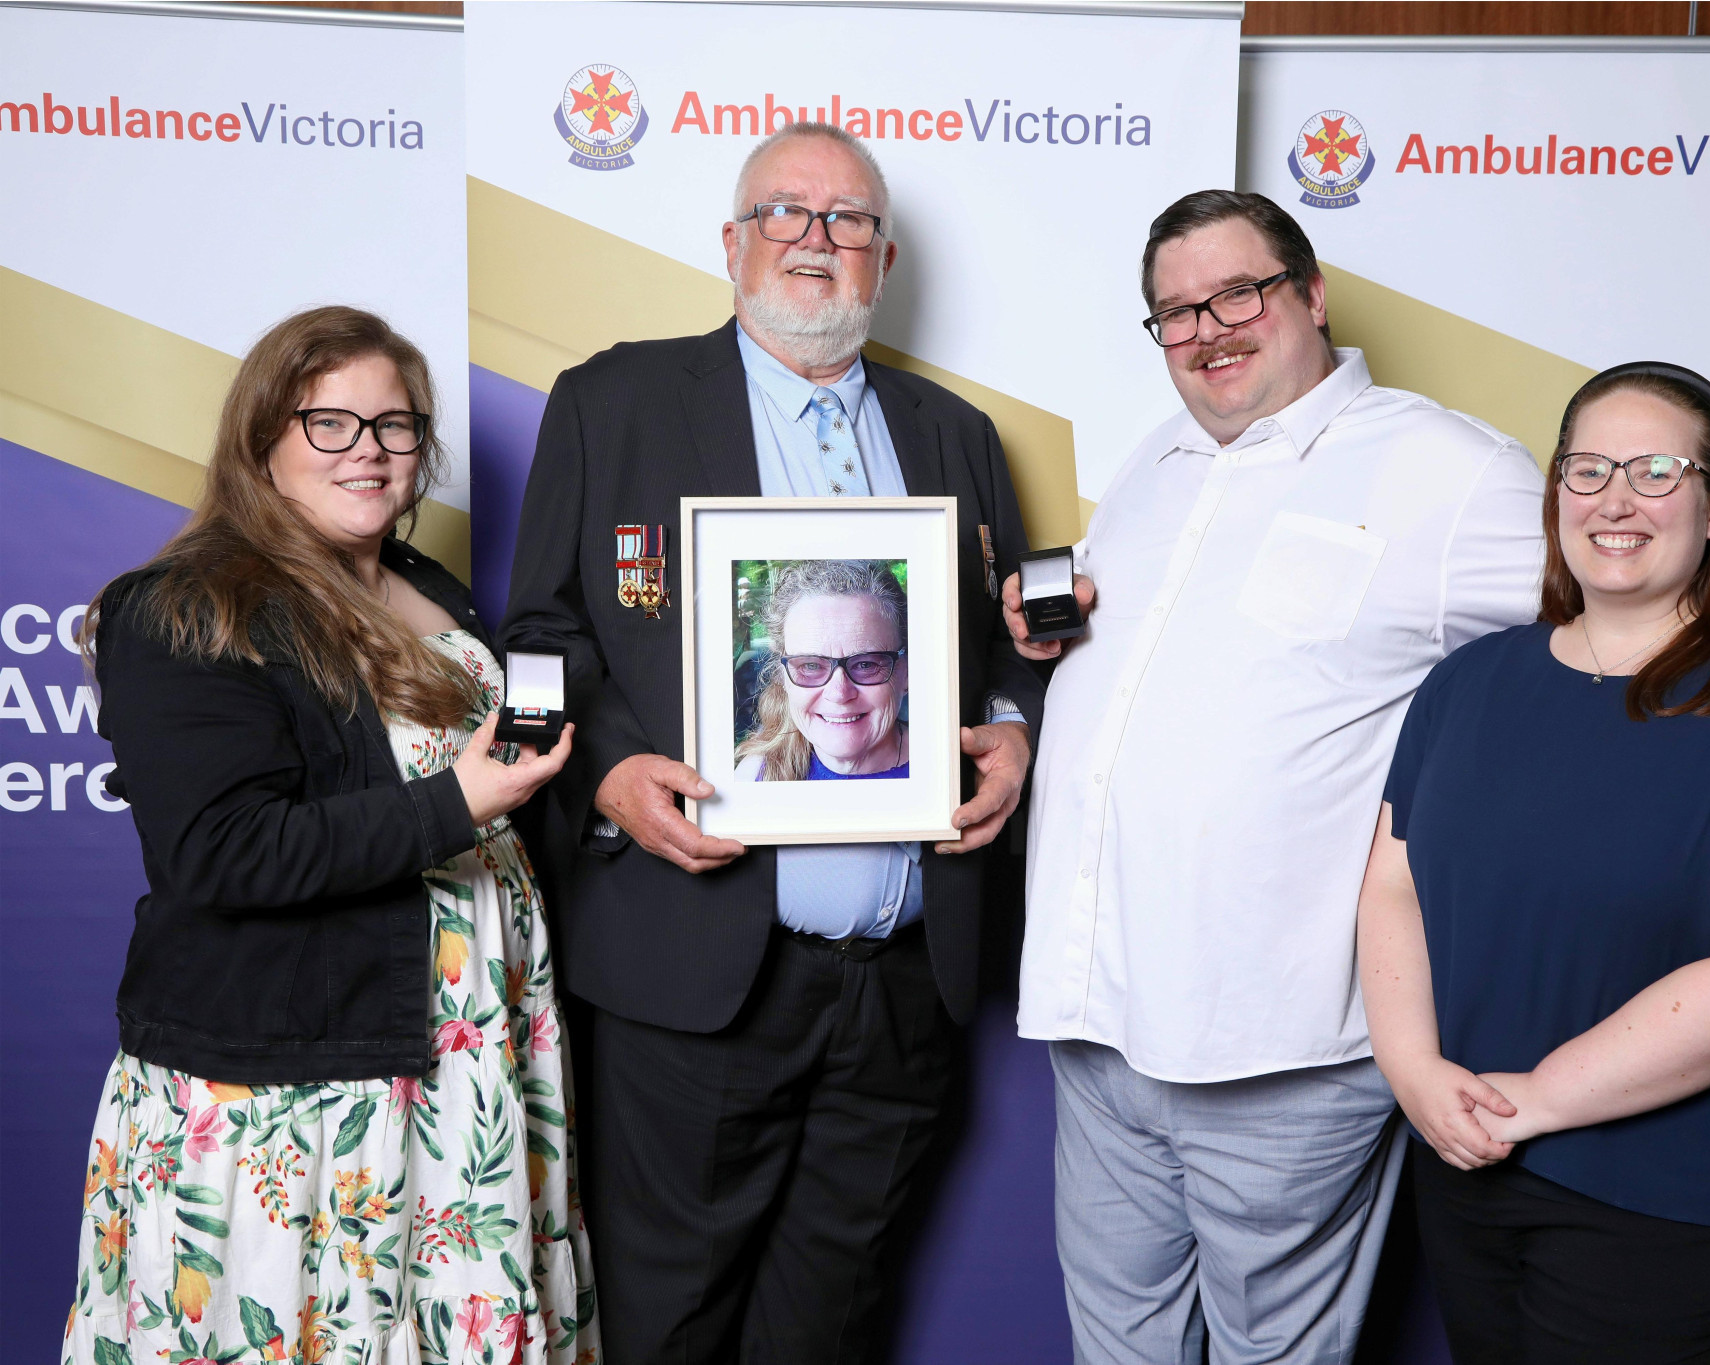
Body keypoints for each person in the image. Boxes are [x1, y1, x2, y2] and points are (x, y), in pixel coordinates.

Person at [499, 122, 1043, 1364]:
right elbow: (534, 636)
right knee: (666, 1317)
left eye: (846, 220)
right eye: (785, 214)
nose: (814, 240)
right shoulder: (613, 400)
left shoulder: (954, 433)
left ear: (884, 258)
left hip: (902, 976)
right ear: (732, 244)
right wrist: (606, 775)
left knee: (831, 1321)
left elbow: (1006, 643)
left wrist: (1010, 730)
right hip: (696, 973)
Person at [1005, 190, 1546, 1365]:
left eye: (1235, 293)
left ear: (1308, 293)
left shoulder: (1446, 473)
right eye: (1173, 313)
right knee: (1119, 1348)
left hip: (1279, 1040)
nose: (1207, 328)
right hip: (1100, 1020)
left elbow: (1607, 650)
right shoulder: (1154, 460)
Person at [1360, 362, 1710, 1364]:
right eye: (1584, 469)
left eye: (1654, 469)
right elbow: (1391, 884)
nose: (1612, 498)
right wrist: (1410, 1070)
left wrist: (1532, 1101)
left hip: (1670, 1202)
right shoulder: (1465, 683)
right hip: (1465, 1169)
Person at [66, 307, 600, 1365]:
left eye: (396, 426)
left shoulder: (422, 587)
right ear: (262, 438)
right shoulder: (184, 608)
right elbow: (222, 853)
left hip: (470, 1062)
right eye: (331, 423)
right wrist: (462, 800)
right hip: (302, 1090)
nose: (370, 449)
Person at [734, 559, 911, 781]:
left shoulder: (945, 771)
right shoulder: (752, 777)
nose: (839, 694)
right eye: (810, 665)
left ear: (905, 673)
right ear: (783, 676)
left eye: (866, 664)